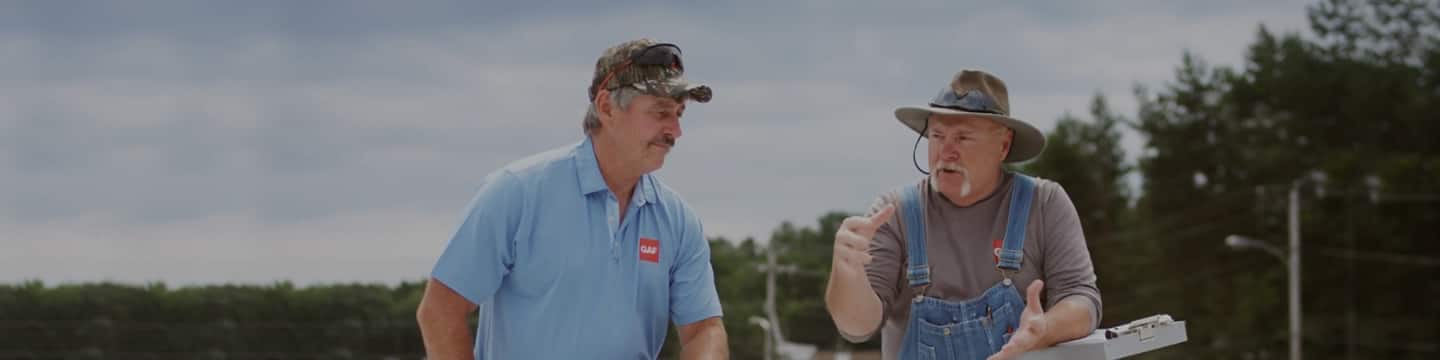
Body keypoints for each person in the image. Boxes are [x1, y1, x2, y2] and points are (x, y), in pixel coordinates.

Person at [416, 38, 728, 359]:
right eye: (661, 112)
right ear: (607, 107)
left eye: (679, 113)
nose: (675, 130)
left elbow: (705, 329)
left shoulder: (678, 220)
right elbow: (440, 312)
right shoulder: (517, 193)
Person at [825, 69, 1102, 360]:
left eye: (963, 138)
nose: (946, 152)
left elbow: (1082, 300)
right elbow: (855, 327)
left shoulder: (1044, 204)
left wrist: (1045, 328)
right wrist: (848, 274)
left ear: (1003, 145)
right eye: (937, 135)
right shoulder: (893, 214)